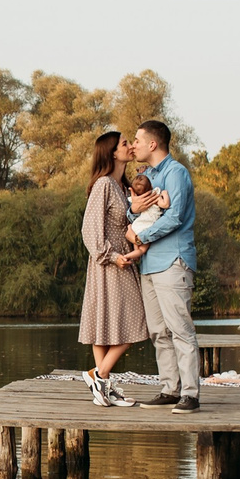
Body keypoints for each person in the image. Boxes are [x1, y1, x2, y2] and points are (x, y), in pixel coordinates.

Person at [122, 119, 199, 410]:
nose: (133, 145)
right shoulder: (146, 176)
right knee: (158, 331)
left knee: (181, 329)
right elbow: (136, 214)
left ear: (153, 144)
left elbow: (175, 216)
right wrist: (133, 212)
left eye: (137, 140)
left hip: (172, 261)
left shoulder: (176, 173)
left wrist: (141, 236)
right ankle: (170, 389)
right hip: (149, 264)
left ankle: (191, 394)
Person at [76, 132, 147, 407]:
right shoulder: (103, 184)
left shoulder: (123, 186)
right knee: (134, 321)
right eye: (125, 143)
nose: (130, 147)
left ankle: (101, 386)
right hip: (108, 264)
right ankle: (100, 375)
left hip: (123, 262)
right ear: (112, 153)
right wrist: (112, 257)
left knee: (107, 325)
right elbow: (89, 230)